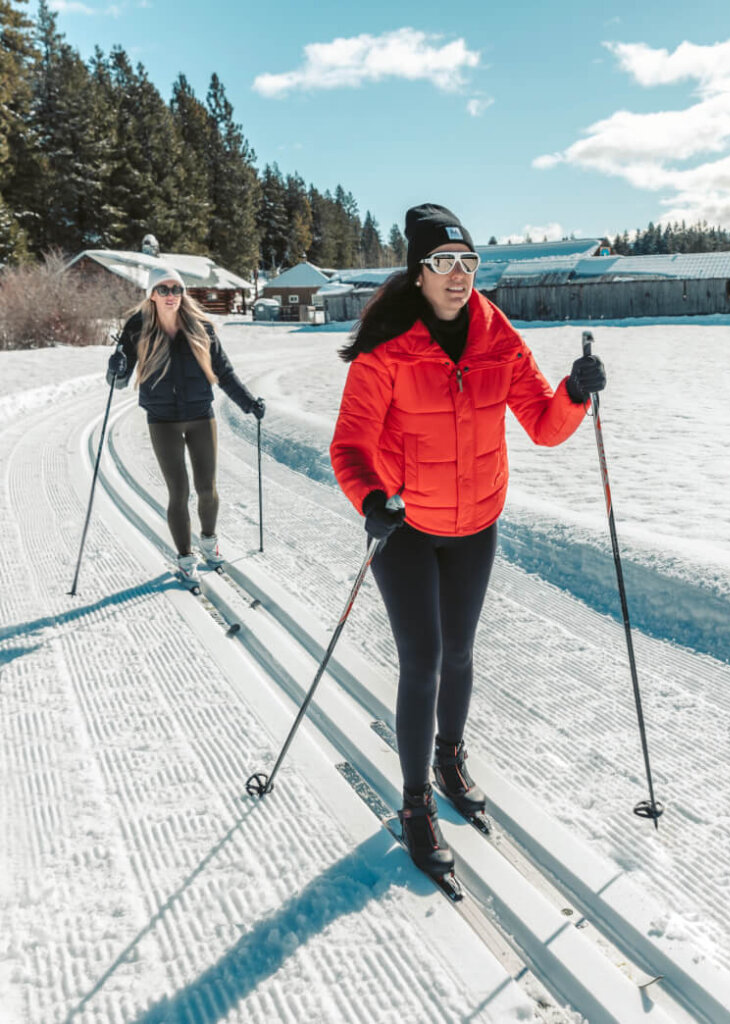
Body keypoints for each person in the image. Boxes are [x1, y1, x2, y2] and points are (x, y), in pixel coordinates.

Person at [330, 204, 605, 878]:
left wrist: (573, 391)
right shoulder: (386, 347)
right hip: (407, 526)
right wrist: (369, 498)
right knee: (422, 661)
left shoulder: (496, 335)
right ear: (418, 272)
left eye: (469, 263)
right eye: (444, 263)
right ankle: (415, 800)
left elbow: (542, 423)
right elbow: (351, 443)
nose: (459, 275)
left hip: (476, 523)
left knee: (459, 654)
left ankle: (450, 758)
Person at [107, 266, 265, 586]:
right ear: (151, 294)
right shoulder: (138, 327)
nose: (170, 295)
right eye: (163, 290)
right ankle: (184, 556)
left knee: (206, 488)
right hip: (162, 419)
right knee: (178, 491)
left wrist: (248, 403)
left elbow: (223, 372)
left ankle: (208, 541)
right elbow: (119, 381)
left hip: (200, 415)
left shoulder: (201, 326)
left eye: (176, 289)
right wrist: (115, 368)